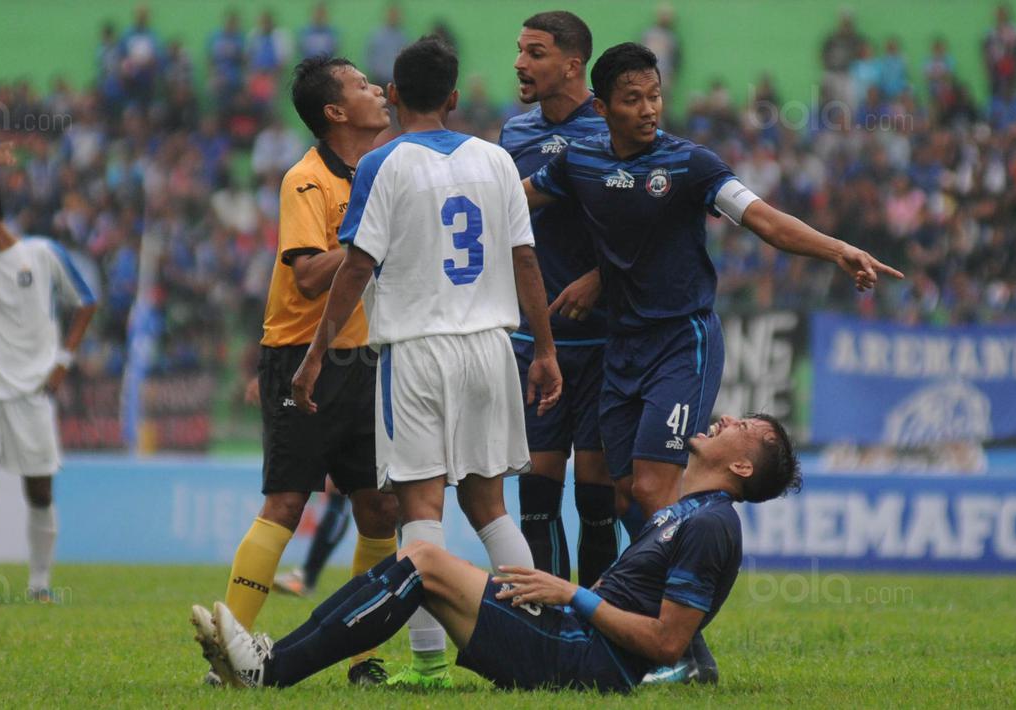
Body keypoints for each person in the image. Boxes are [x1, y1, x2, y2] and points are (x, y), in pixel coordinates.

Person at [522, 42, 902, 681]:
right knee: (622, 494)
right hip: (622, 345)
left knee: (653, 488)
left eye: (655, 95)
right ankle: (664, 641)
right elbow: (515, 199)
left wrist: (837, 248)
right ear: (602, 107)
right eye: (633, 99)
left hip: (682, 340)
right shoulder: (578, 160)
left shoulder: (689, 164)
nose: (649, 109)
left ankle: (682, 650)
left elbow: (764, 220)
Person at [288, 37, 563, 688]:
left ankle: (430, 664)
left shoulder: (381, 164)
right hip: (492, 346)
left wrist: (314, 354)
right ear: (454, 98)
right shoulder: (496, 160)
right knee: (492, 507)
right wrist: (546, 349)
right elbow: (525, 259)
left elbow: (356, 266)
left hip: (416, 350)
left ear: (392, 94)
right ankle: (542, 649)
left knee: (420, 512)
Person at [192, 413, 801, 692]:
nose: (727, 419)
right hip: (571, 638)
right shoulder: (685, 512)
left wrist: (572, 594)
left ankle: (270, 670)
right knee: (420, 565)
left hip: (584, 660)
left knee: (424, 562)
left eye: (745, 428)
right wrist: (568, 600)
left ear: (743, 468)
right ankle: (267, 663)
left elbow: (667, 644)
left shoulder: (713, 525)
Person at [215, 55, 399, 687]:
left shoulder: (379, 171)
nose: (378, 91)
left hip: (365, 358)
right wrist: (369, 240)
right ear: (336, 111)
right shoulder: (306, 179)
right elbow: (310, 275)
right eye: (362, 86)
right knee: (288, 501)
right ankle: (228, 651)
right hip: (301, 356)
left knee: (380, 508)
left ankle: (363, 658)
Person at [0, 142, 97, 604]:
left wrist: (63, 361)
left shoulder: (43, 254)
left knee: (40, 491)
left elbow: (86, 302)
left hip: (31, 394)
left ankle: (40, 586)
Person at [501, 11, 616, 590]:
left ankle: (600, 624)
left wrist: (601, 276)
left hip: (603, 341)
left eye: (535, 53)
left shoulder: (612, 130)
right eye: (520, 51)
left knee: (598, 497)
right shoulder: (513, 134)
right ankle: (549, 625)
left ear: (573, 65)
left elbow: (648, 227)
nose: (520, 63)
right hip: (534, 340)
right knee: (537, 492)